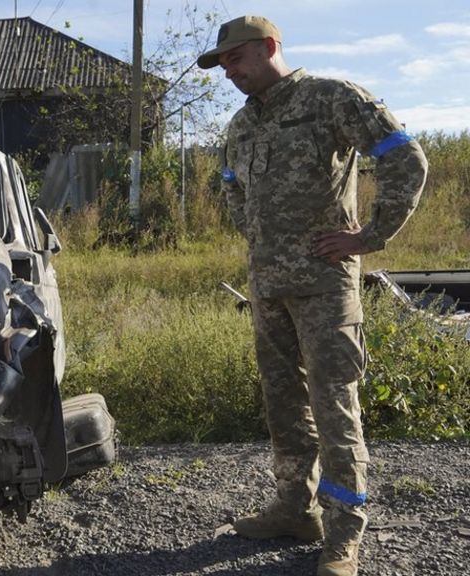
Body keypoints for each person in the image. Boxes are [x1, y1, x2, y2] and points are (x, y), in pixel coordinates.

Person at [196, 15, 428, 576]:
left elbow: (406, 158)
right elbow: (231, 186)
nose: (228, 71)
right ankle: (294, 509)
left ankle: (343, 536)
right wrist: (258, 240)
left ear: (270, 47)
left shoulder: (330, 99)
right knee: (284, 408)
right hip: (268, 287)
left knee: (334, 409)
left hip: (325, 286)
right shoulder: (240, 125)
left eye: (236, 58)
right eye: (222, 63)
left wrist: (366, 237)